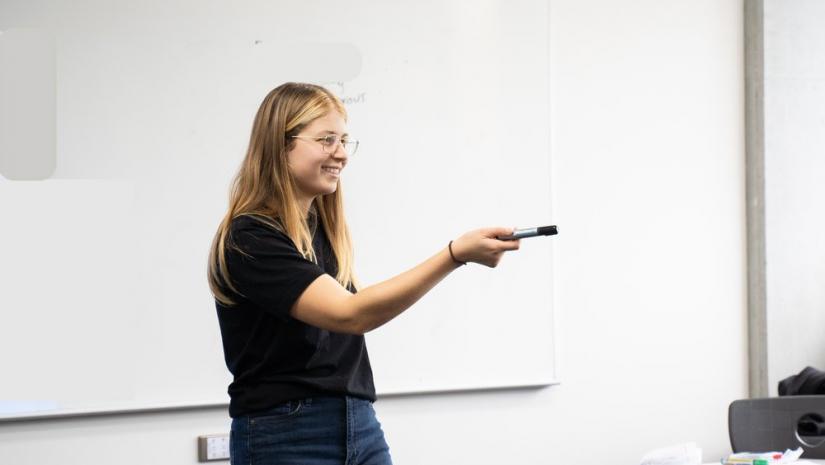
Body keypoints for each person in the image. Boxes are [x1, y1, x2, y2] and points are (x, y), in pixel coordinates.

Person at [206, 82, 520, 465]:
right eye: (326, 140)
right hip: (285, 433)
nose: (341, 154)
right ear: (280, 144)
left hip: (358, 421)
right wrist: (454, 255)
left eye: (344, 140)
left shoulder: (317, 231)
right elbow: (350, 314)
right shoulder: (250, 237)